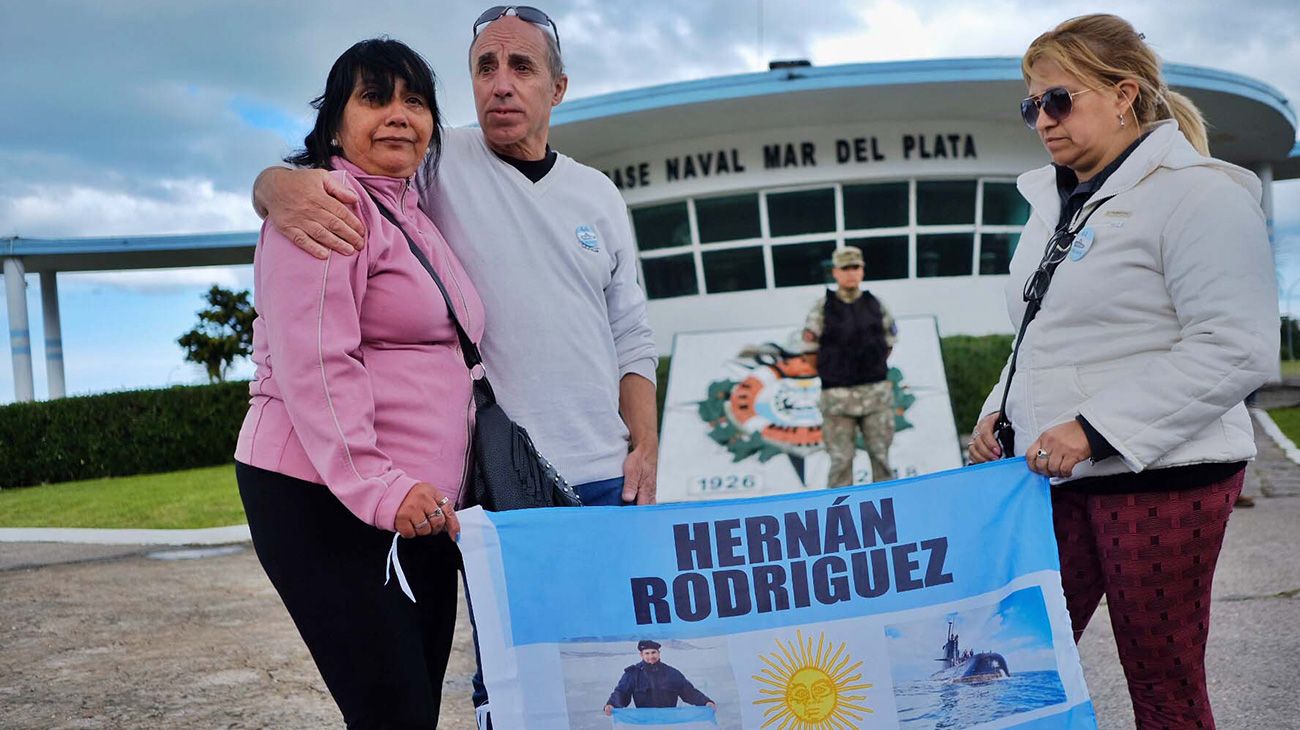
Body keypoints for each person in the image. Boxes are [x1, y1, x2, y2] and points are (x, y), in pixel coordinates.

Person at [251, 8, 658, 727]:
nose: (502, 86)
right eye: (484, 68)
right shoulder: (428, 167)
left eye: (522, 67)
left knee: (606, 660)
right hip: (482, 483)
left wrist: (645, 444)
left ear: (558, 87)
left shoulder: (584, 193)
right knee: (507, 676)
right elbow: (320, 350)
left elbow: (632, 331)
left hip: (577, 473)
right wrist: (276, 185)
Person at [966, 14, 1278, 728]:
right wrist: (998, 411)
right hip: (1059, 477)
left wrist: (1094, 429)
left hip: (1166, 474)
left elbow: (1237, 345)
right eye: (1030, 105)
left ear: (1124, 94)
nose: (1040, 119)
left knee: (1161, 682)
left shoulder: (1199, 193)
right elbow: (1038, 335)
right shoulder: (1051, 205)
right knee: (1016, 671)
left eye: (1058, 99)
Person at [234, 38, 483, 728]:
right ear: (335, 123)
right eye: (374, 98)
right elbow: (318, 364)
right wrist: (380, 488)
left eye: (415, 100)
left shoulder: (410, 209)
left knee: (414, 707)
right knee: (392, 713)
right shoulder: (328, 204)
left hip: (413, 506)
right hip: (328, 496)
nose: (399, 115)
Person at [802, 245, 898, 486]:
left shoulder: (876, 304)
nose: (851, 273)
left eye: (855, 267)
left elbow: (888, 343)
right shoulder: (822, 307)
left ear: (862, 271)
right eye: (845, 268)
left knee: (881, 458)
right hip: (837, 399)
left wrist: (869, 366)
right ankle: (841, 517)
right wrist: (834, 372)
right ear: (835, 272)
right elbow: (809, 351)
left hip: (875, 397)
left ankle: (886, 515)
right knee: (840, 462)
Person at [603, 640, 717, 715]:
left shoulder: (672, 673)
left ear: (659, 653)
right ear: (641, 655)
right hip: (645, 724)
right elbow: (621, 692)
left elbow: (689, 692)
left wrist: (706, 702)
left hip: (670, 722)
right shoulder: (632, 674)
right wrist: (611, 705)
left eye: (653, 652)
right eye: (647, 653)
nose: (651, 656)